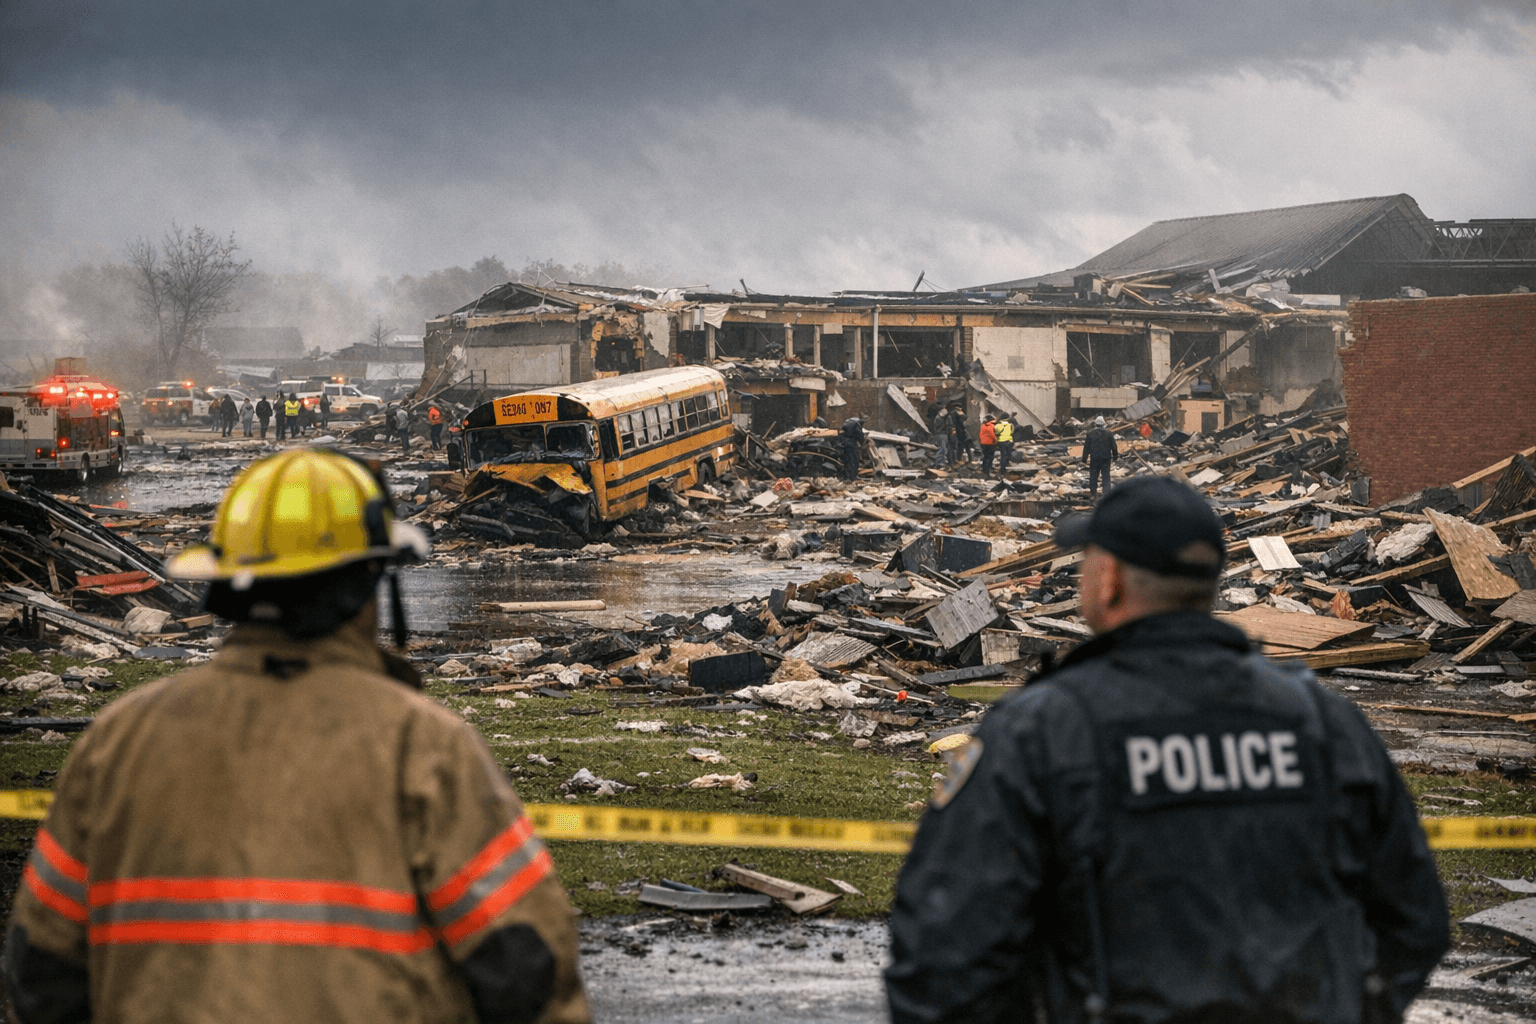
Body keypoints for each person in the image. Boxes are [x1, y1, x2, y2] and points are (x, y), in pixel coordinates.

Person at [3, 448, 590, 1023]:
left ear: (232, 582)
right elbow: (526, 971)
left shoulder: (120, 740)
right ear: (370, 583)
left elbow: (40, 970)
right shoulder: (423, 747)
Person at [886, 476, 1449, 1024]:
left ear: (1108, 580)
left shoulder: (1043, 732)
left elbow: (943, 957)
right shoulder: (1323, 722)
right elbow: (1415, 920)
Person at [1085, 414, 1119, 497]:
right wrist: (1115, 456)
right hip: (1106, 458)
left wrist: (1084, 458)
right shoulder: (1109, 433)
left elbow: (1086, 447)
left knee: (1093, 475)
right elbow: (1114, 446)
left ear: (1095, 424)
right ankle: (1106, 493)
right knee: (1106, 476)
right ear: (1104, 424)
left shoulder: (1090, 433)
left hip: (1095, 458)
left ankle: (1093, 493)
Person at [838, 415, 864, 481]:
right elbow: (859, 436)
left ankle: (847, 477)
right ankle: (851, 478)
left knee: (847, 462)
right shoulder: (856, 425)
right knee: (853, 462)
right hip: (852, 445)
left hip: (845, 444)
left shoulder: (847, 425)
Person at [993, 413, 1014, 478]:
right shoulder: (1010, 425)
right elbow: (1012, 432)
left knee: (1003, 455)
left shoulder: (998, 425)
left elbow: (996, 432)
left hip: (1001, 442)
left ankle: (1003, 470)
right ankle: (1007, 467)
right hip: (1009, 441)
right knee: (1008, 454)